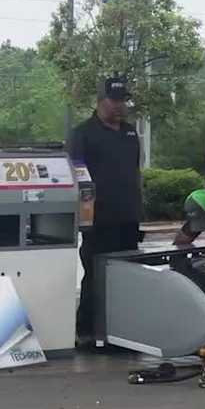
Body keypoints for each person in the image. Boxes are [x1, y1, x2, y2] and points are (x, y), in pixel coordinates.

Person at [67, 76, 143, 349]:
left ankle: (122, 333)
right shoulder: (83, 133)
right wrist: (84, 216)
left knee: (126, 277)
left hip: (127, 217)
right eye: (114, 101)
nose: (119, 106)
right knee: (96, 276)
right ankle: (86, 332)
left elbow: (135, 171)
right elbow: (77, 176)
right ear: (100, 101)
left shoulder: (131, 133)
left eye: (123, 101)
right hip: (98, 219)